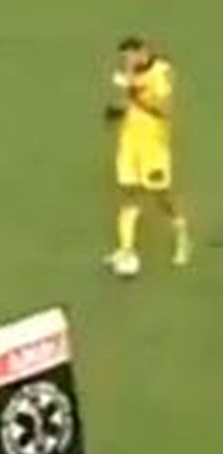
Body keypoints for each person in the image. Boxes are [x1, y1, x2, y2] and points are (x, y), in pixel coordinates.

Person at [106, 36, 192, 275]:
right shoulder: (126, 75)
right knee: (128, 194)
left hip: (153, 147)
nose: (126, 62)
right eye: (123, 58)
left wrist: (134, 93)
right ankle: (126, 249)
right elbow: (123, 105)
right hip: (129, 144)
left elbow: (165, 110)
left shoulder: (161, 72)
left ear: (142, 52)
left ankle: (183, 238)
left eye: (129, 57)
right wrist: (114, 111)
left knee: (161, 196)